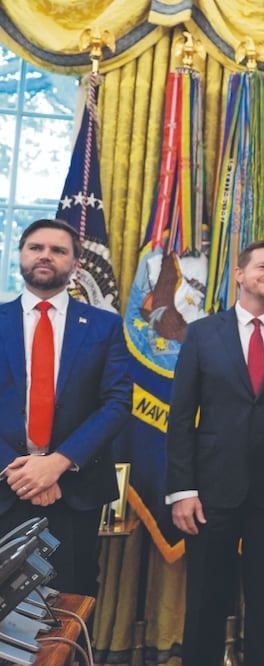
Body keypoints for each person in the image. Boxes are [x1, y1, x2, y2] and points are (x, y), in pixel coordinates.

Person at [166, 239, 264, 666]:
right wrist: (182, 491)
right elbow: (181, 417)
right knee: (204, 605)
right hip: (210, 494)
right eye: (263, 266)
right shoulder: (201, 333)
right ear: (239, 274)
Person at [0, 218, 130, 595]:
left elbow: (117, 403)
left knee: (71, 604)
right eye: (36, 247)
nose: (45, 255)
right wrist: (21, 472)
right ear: (20, 256)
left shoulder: (104, 326)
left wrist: (56, 464)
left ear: (75, 265)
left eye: (58, 250)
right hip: (6, 488)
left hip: (75, 491)